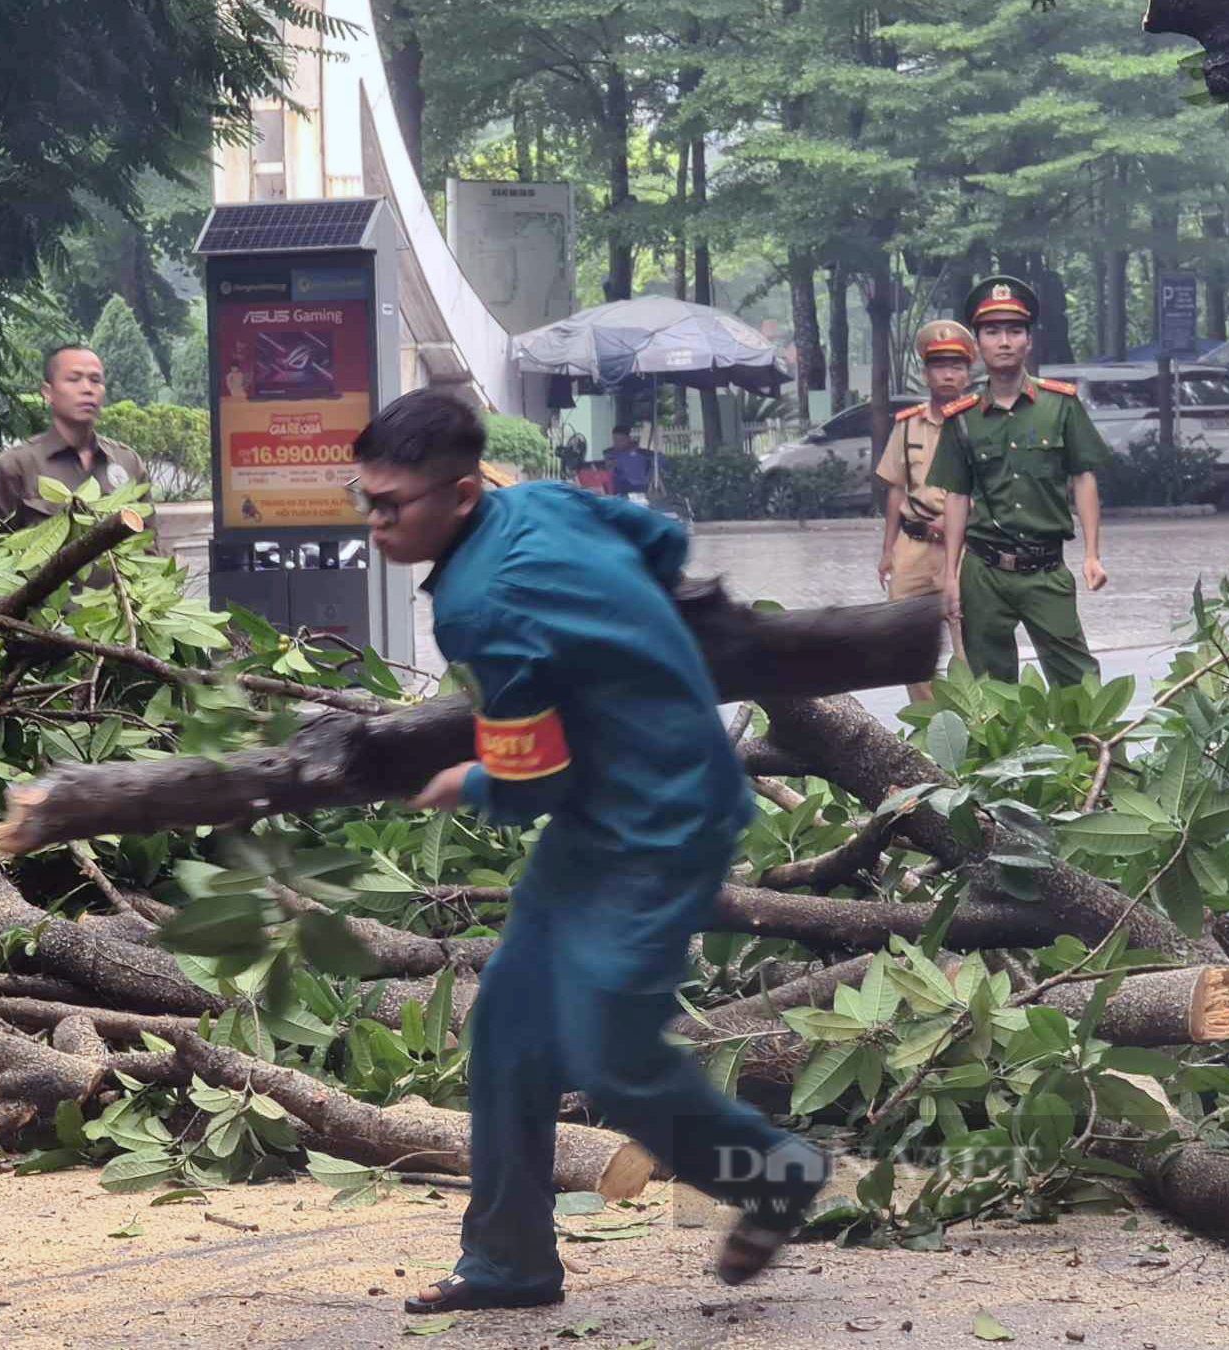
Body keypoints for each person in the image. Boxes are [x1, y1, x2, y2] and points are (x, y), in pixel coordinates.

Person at [351, 391, 827, 1316]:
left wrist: (467, 782)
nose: (374, 524)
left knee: (611, 1059)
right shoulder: (539, 501)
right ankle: (509, 1262)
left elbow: (529, 779)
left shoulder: (480, 605)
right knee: (508, 1030)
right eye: (365, 500)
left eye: (391, 506)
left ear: (456, 496)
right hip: (598, 821)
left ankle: (776, 1172)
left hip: (664, 824)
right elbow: (659, 543)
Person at [928, 275, 1109, 688]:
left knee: (1079, 685)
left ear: (1029, 340)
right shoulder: (962, 418)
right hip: (983, 573)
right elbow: (956, 496)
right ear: (978, 344)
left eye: (1014, 330)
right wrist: (950, 575)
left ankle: (1098, 754)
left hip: (1045, 569)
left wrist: (1092, 554)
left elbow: (1083, 477)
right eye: (992, 332)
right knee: (991, 691)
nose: (1004, 341)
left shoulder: (1060, 405)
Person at [877, 319, 977, 704]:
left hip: (965, 549)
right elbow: (896, 488)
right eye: (939, 366)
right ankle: (930, 722)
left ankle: (973, 724)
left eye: (956, 366)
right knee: (906, 641)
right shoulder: (908, 425)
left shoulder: (982, 424)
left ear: (969, 373)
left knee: (966, 643)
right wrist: (887, 551)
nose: (948, 374)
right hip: (914, 546)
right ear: (926, 373)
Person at [0, 345, 152, 538]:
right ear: (48, 392)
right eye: (74, 379)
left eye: (95, 380)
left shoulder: (128, 463)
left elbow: (149, 546)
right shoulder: (14, 467)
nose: (87, 389)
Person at [606, 423, 654, 496]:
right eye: (615, 440)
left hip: (638, 490)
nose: (617, 443)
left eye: (621, 440)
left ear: (629, 439)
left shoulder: (641, 453)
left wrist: (650, 474)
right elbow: (608, 473)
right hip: (618, 492)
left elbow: (660, 459)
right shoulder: (611, 454)